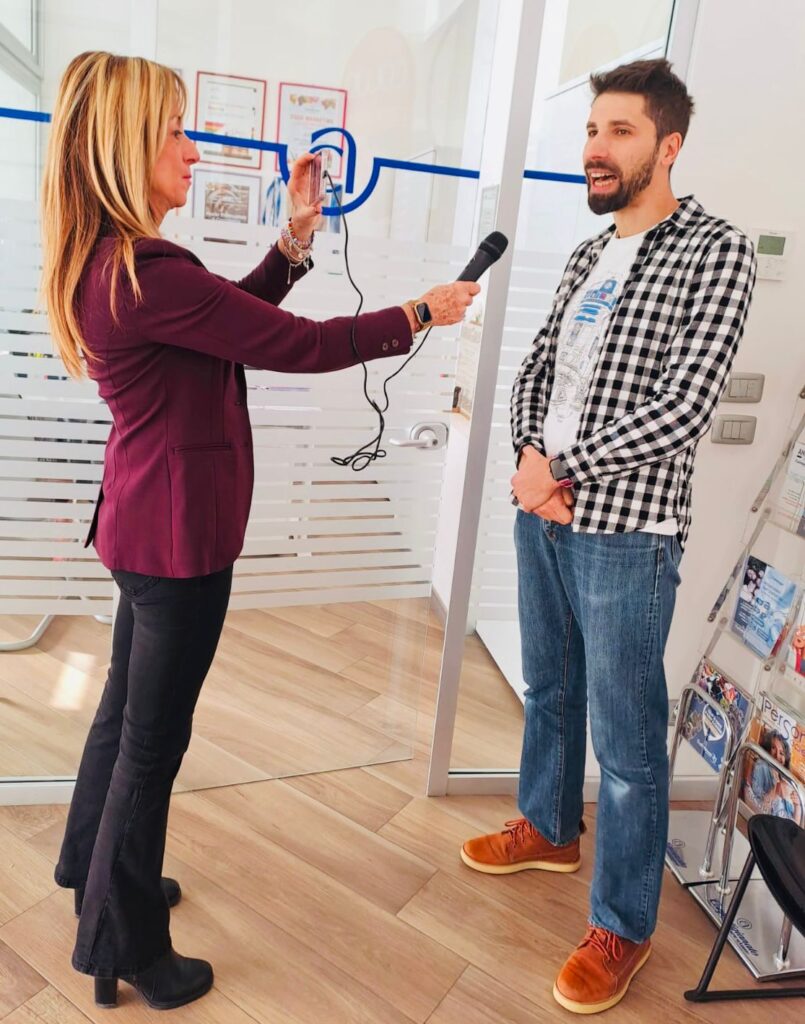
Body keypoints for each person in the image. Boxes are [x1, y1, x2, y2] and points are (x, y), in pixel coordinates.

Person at [42, 51, 478, 1011]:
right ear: (123, 146)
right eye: (173, 132)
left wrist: (293, 238)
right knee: (151, 741)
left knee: (123, 715)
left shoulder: (115, 263)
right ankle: (122, 943)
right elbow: (297, 346)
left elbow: (231, 324)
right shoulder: (146, 269)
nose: (191, 151)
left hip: (144, 526)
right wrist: (419, 312)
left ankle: (91, 870)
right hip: (177, 542)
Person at [460, 59, 756, 1015]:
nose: (595, 147)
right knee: (549, 687)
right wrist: (528, 461)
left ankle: (622, 925)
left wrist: (563, 469)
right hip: (543, 512)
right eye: (592, 129)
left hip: (628, 532)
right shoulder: (590, 253)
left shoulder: (715, 250)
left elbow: (683, 405)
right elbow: (536, 368)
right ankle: (549, 828)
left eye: (619, 131)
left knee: (626, 742)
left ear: (667, 146)